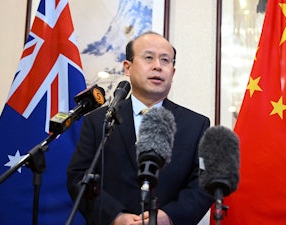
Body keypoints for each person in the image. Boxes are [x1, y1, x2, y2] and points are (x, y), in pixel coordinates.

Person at [67, 31, 213, 225]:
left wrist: (169, 217)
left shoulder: (196, 124)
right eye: (148, 58)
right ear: (127, 67)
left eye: (165, 60)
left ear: (173, 72)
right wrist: (115, 217)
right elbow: (79, 177)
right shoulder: (98, 121)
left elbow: (203, 184)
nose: (157, 66)